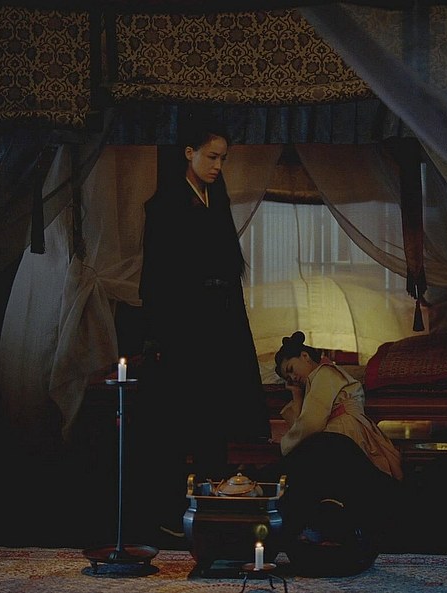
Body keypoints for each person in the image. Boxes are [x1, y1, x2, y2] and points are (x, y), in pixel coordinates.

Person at [134, 114, 270, 539]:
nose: (217, 165)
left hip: (218, 324)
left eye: (223, 158)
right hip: (182, 326)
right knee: (178, 423)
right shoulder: (165, 205)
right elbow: (155, 276)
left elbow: (228, 270)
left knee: (215, 419)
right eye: (211, 156)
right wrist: (158, 334)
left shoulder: (215, 199)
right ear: (189, 153)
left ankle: (211, 514)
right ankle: (171, 514)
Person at [261, 331, 405, 575]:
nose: (292, 377)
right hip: (334, 433)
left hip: (345, 433)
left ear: (305, 356)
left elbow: (310, 423)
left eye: (291, 369)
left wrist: (286, 446)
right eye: (287, 377)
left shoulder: (325, 373)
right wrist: (296, 393)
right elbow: (304, 423)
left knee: (320, 468)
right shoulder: (314, 382)